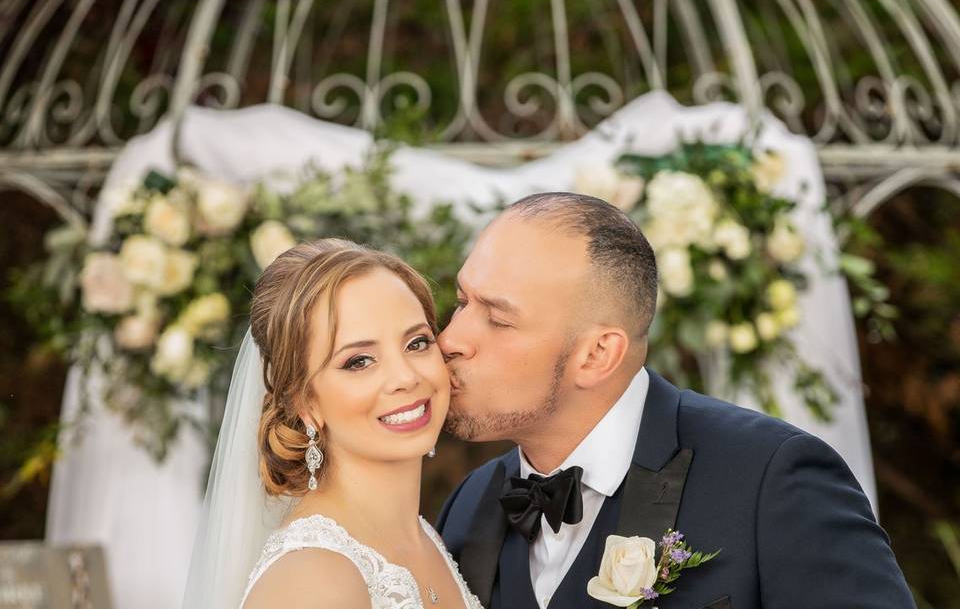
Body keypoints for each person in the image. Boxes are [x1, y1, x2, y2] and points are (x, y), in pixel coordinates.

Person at [435, 192, 915, 609]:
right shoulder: (470, 503)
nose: (451, 338)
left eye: (498, 319)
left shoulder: (771, 481)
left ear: (598, 354)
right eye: (461, 303)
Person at [183, 238, 482, 609]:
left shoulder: (427, 537)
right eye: (359, 361)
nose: (405, 377)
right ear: (304, 401)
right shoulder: (311, 580)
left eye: (417, 343)